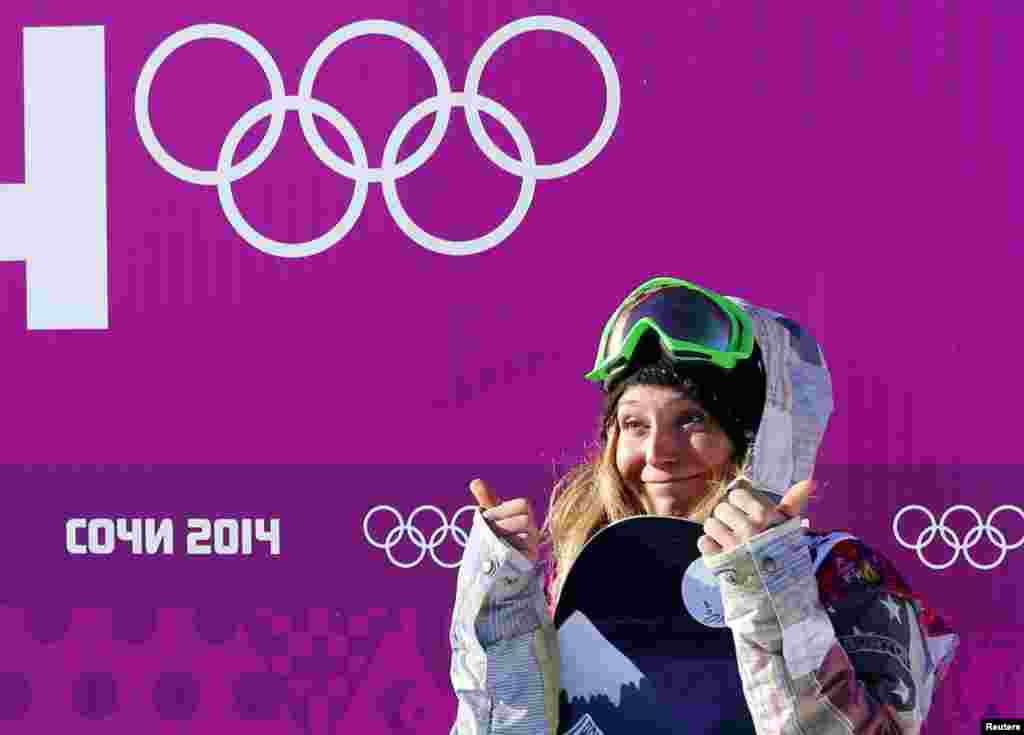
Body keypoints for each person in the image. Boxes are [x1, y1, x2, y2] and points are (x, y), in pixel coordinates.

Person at [449, 276, 958, 735]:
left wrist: (773, 596)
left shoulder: (841, 575)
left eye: (692, 420)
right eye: (634, 425)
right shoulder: (571, 576)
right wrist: (500, 624)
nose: (658, 455)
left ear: (754, 443)